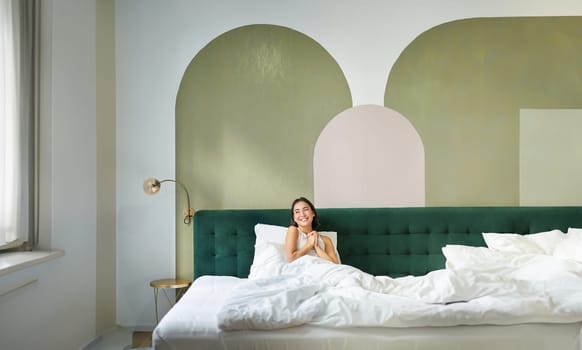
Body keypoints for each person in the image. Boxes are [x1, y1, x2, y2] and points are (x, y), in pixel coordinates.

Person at [285, 197, 339, 264]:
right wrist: (309, 245)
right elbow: (291, 258)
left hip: (325, 270)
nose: (302, 214)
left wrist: (317, 247)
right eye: (297, 212)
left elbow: (335, 265)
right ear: (294, 218)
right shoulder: (293, 230)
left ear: (313, 213)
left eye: (305, 209)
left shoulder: (326, 239)